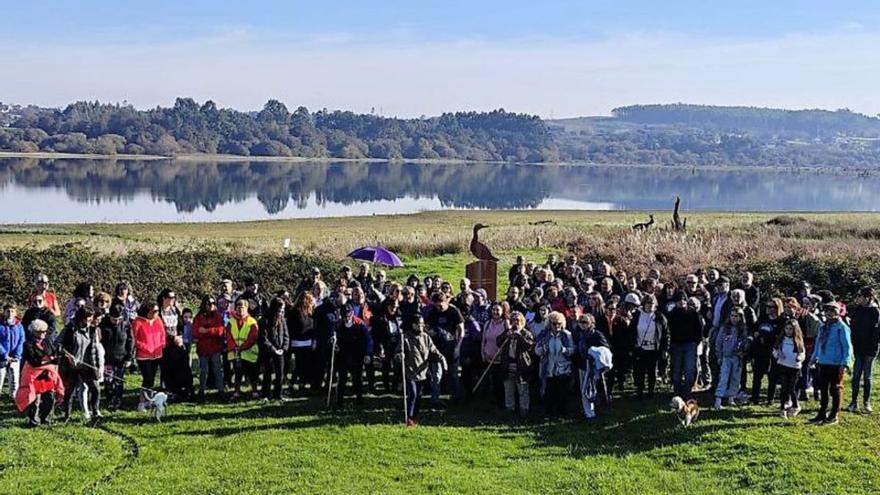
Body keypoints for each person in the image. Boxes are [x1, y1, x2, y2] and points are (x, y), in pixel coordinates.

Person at [397, 315, 445, 426]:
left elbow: (433, 349)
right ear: (413, 325)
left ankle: (415, 416)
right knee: (413, 394)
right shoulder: (405, 338)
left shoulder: (426, 337)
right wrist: (400, 355)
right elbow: (398, 352)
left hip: (422, 372)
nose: (421, 326)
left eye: (422, 324)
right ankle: (409, 417)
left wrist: (440, 357)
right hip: (410, 371)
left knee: (418, 395)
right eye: (419, 324)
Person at [809, 302, 853, 425]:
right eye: (827, 310)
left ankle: (834, 415)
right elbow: (818, 344)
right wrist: (814, 357)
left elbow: (847, 346)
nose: (829, 313)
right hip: (823, 362)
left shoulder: (842, 327)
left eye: (832, 310)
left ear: (838, 312)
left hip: (836, 363)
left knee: (835, 389)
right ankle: (822, 413)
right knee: (823, 388)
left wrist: (845, 362)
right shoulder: (823, 327)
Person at [57, 306, 102, 422]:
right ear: (81, 318)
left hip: (87, 366)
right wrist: (67, 355)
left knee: (95, 388)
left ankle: (95, 412)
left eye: (90, 318)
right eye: (87, 318)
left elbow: (96, 349)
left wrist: (97, 366)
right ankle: (66, 415)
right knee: (69, 392)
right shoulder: (70, 329)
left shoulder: (93, 330)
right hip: (70, 366)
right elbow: (57, 345)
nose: (89, 321)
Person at [17, 320, 64, 427]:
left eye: (45, 331)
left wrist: (56, 355)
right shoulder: (28, 344)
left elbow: (53, 354)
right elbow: (34, 361)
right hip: (34, 375)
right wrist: (49, 360)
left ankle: (45, 418)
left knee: (50, 397)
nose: (44, 333)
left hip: (47, 375)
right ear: (35, 332)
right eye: (41, 332)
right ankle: (33, 421)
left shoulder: (47, 342)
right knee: (35, 399)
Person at [425, 292, 465, 406]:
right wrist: (429, 332)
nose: (439, 308)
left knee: (453, 374)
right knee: (436, 374)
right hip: (437, 347)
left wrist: (458, 346)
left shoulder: (454, 311)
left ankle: (456, 398)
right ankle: (435, 399)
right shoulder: (433, 312)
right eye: (436, 305)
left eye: (440, 305)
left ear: (445, 301)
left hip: (451, 345)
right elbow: (427, 327)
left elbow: (461, 329)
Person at [846, 287, 880, 413]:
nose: (858, 299)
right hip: (858, 347)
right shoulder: (858, 310)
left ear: (867, 297)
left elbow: (877, 332)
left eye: (860, 296)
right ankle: (853, 402)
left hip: (870, 349)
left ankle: (867, 402)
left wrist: (873, 347)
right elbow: (853, 327)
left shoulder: (875, 311)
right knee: (856, 376)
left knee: (867, 376)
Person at [534, 311, 573, 417]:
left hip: (563, 368)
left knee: (563, 393)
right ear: (549, 324)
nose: (557, 326)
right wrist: (543, 349)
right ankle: (549, 414)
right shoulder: (544, 334)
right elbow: (536, 351)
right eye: (554, 323)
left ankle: (563, 414)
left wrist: (565, 350)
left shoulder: (567, 335)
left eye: (559, 323)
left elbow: (573, 350)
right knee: (549, 393)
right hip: (548, 368)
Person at [333, 303, 372, 407]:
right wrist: (334, 344)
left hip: (357, 355)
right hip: (343, 355)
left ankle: (359, 400)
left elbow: (368, 340)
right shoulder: (338, 325)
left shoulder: (360, 324)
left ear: (352, 313)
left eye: (349, 314)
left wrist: (367, 354)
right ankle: (339, 401)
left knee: (357, 379)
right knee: (342, 379)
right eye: (345, 315)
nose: (347, 317)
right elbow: (334, 337)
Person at [630, 295, 668, 398]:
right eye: (648, 303)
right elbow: (631, 331)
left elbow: (665, 334)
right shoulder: (637, 315)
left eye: (652, 303)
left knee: (652, 372)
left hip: (654, 349)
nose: (650, 306)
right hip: (640, 348)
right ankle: (640, 391)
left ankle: (651, 391)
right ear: (643, 304)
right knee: (639, 371)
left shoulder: (660, 317)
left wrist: (665, 349)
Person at [573, 313, 611, 419]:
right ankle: (589, 412)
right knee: (584, 389)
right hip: (582, 365)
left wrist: (594, 352)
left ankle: (598, 409)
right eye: (581, 322)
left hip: (594, 366)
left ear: (591, 323)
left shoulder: (597, 334)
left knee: (594, 388)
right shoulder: (578, 334)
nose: (583, 324)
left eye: (585, 322)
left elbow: (606, 348)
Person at [497, 311, 535, 417]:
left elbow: (529, 345)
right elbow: (498, 342)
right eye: (513, 320)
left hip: (521, 365)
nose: (515, 322)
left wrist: (519, 336)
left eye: (517, 320)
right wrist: (506, 335)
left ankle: (524, 410)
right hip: (508, 364)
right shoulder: (507, 332)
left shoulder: (526, 333)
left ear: (522, 321)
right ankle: (510, 409)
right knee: (509, 389)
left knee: (523, 390)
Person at [667, 294, 704, 399]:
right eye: (679, 300)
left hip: (690, 344)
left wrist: (696, 341)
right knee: (677, 369)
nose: (681, 301)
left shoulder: (692, 312)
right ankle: (677, 391)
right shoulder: (672, 314)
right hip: (676, 345)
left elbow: (698, 328)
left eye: (683, 299)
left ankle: (688, 391)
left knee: (689, 369)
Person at [99, 304, 133, 411]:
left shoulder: (126, 324)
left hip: (121, 357)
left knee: (118, 381)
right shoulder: (103, 324)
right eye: (114, 319)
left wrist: (129, 357)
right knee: (109, 381)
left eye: (118, 319)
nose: (116, 322)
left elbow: (130, 341)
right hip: (108, 358)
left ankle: (118, 401)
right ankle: (110, 401)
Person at [132, 303, 165, 411]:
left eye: (157, 311)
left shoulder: (158, 320)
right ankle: (141, 402)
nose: (156, 313)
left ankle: (149, 400)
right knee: (147, 378)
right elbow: (134, 339)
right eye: (154, 311)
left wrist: (162, 344)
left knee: (152, 379)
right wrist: (145, 347)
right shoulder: (137, 322)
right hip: (144, 355)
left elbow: (162, 333)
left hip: (156, 354)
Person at [192, 296, 226, 401]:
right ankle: (201, 391)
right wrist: (211, 332)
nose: (211, 306)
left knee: (217, 370)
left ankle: (221, 391)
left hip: (215, 347)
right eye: (209, 304)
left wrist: (207, 331)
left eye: (213, 304)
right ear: (204, 305)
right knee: (203, 371)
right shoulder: (199, 317)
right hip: (203, 349)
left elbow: (220, 331)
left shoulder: (218, 316)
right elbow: (196, 332)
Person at [714, 308, 748, 409]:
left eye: (736, 316)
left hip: (737, 358)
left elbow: (745, 342)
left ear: (740, 317)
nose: (734, 318)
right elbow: (718, 342)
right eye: (732, 315)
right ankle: (718, 400)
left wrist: (743, 351)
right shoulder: (724, 328)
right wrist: (719, 356)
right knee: (724, 378)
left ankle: (731, 398)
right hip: (726, 357)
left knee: (735, 379)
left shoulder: (743, 329)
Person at [752, 298, 784, 405]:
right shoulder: (762, 318)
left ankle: (770, 399)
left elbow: (778, 336)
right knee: (757, 375)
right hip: (759, 351)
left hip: (772, 352)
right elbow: (755, 330)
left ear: (777, 308)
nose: (768, 309)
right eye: (767, 306)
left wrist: (765, 336)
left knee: (772, 377)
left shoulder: (781, 321)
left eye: (771, 307)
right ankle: (754, 398)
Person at [227, 299, 261, 399]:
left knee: (252, 374)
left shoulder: (252, 321)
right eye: (238, 307)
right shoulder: (231, 321)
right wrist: (234, 347)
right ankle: (236, 392)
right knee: (237, 373)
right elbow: (228, 335)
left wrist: (242, 347)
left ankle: (254, 391)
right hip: (236, 353)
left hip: (249, 353)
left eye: (243, 307)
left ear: (247, 308)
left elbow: (253, 337)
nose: (240, 309)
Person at [774, 319, 806, 418]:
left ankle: (796, 405)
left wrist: (799, 358)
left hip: (794, 368)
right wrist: (778, 354)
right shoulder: (782, 339)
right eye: (787, 329)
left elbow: (802, 353)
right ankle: (782, 408)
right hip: (783, 365)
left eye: (791, 329)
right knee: (784, 388)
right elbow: (775, 350)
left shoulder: (798, 340)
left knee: (791, 388)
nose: (788, 331)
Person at [287, 291, 317, 395]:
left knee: (305, 365)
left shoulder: (310, 312)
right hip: (297, 343)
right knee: (300, 365)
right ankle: (293, 383)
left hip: (308, 342)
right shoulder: (295, 312)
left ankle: (302, 383)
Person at [260, 297, 289, 401]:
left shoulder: (283, 320)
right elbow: (264, 338)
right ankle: (265, 394)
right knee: (267, 373)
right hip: (268, 351)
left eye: (283, 311)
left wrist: (284, 348)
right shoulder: (265, 320)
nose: (281, 312)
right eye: (280, 310)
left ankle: (278, 394)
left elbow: (286, 335)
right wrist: (273, 349)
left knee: (280, 373)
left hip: (280, 350)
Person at [481, 302, 509, 406]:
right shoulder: (488, 323)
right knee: (491, 380)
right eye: (493, 310)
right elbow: (484, 339)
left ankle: (502, 402)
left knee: (499, 381)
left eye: (497, 310)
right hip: (488, 357)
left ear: (502, 311)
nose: (495, 312)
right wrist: (482, 353)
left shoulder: (506, 323)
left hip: (500, 359)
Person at [0, 305, 25, 400]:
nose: (10, 313)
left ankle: (13, 396)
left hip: (15, 357)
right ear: (4, 312)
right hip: (2, 356)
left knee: (14, 378)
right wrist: (4, 354)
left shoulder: (19, 325)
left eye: (12, 311)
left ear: (15, 313)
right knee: (1, 376)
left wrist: (17, 354)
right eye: (8, 311)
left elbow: (21, 340)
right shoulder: (1, 325)